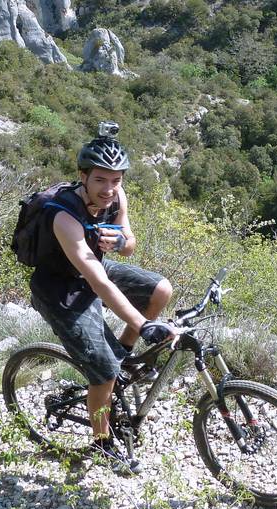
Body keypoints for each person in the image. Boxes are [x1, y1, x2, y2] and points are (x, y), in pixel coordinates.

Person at [29, 122, 177, 473]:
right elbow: (99, 283)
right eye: (100, 180)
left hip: (94, 268)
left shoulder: (116, 197)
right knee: (104, 372)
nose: (109, 189)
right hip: (59, 289)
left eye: (116, 180)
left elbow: (130, 245)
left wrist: (120, 242)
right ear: (83, 177)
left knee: (161, 290)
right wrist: (143, 325)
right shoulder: (63, 216)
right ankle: (102, 442)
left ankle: (122, 352)